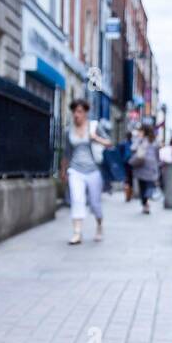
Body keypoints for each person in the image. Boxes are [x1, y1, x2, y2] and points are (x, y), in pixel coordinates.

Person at [60, 98, 111, 245]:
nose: (77, 115)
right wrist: (64, 171)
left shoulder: (94, 127)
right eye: (75, 111)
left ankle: (99, 225)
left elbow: (109, 142)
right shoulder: (69, 131)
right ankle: (77, 233)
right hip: (75, 170)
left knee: (95, 204)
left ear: (86, 113)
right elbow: (66, 153)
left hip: (93, 170)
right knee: (77, 200)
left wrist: (95, 138)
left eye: (80, 111)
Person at [129, 121, 161, 214]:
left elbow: (132, 148)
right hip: (152, 166)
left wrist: (138, 139)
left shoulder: (140, 140)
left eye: (140, 130)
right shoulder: (154, 141)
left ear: (144, 131)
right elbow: (157, 154)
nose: (139, 132)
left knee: (142, 186)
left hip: (141, 165)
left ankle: (145, 204)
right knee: (149, 185)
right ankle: (147, 202)